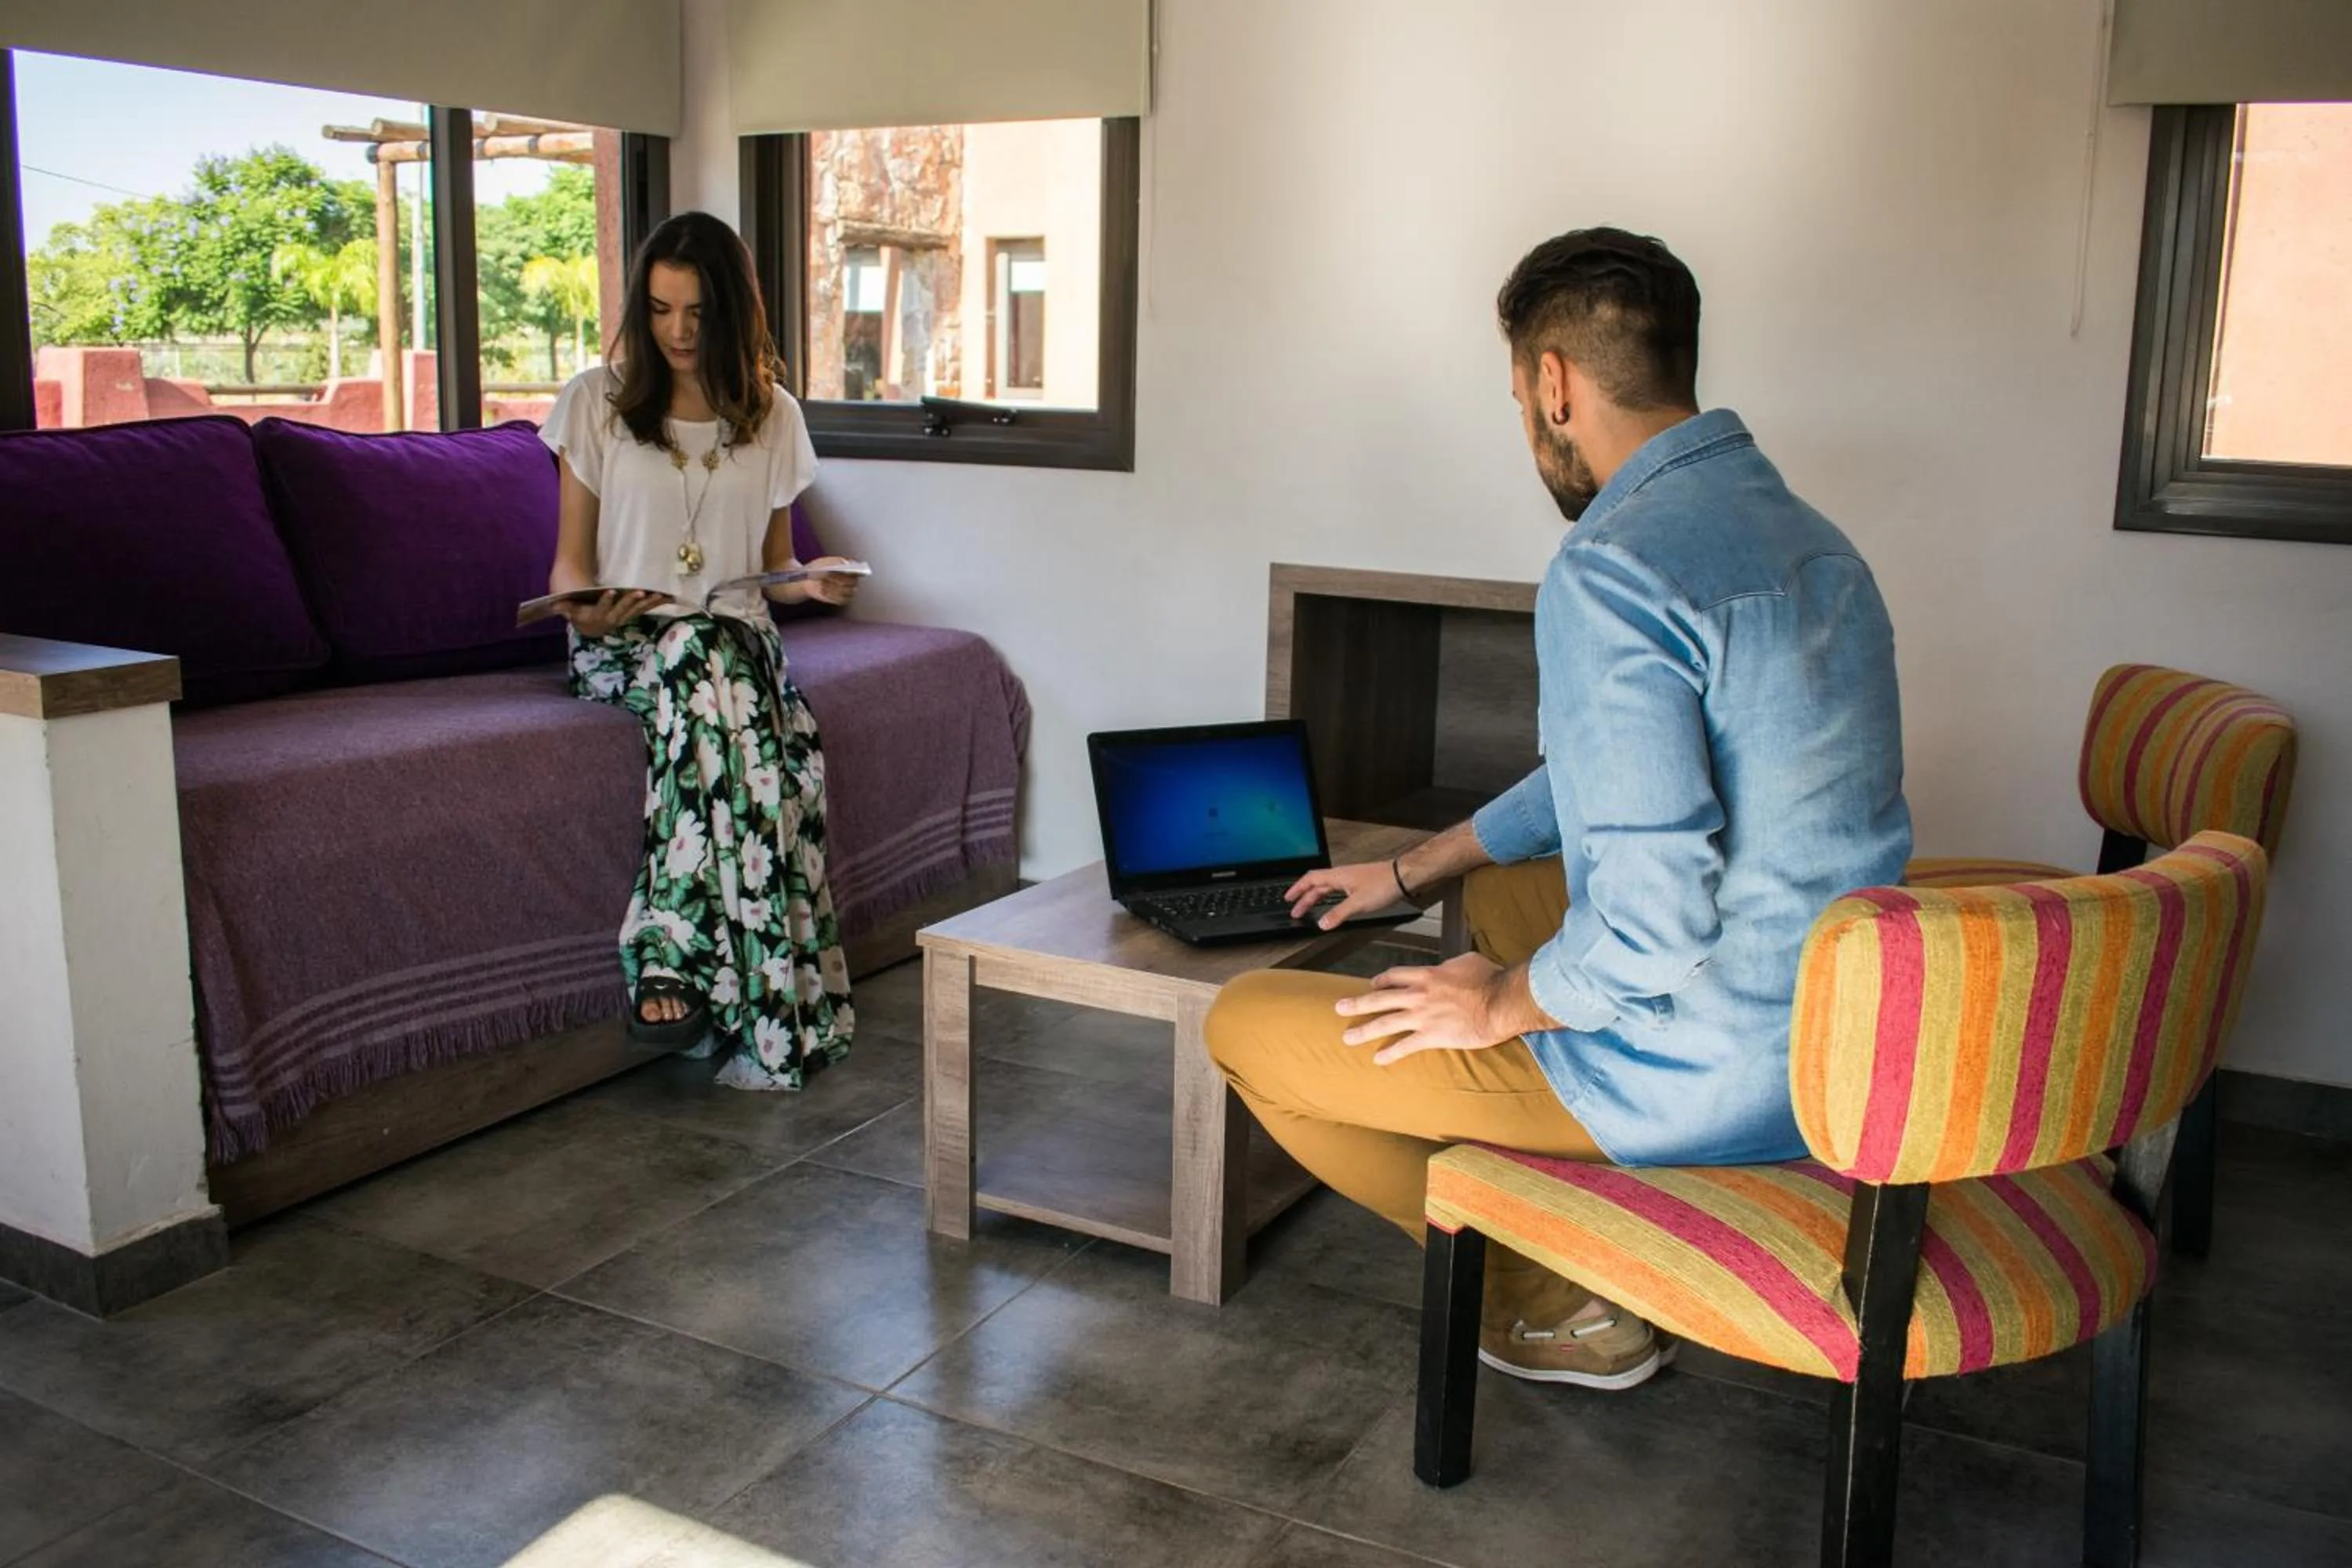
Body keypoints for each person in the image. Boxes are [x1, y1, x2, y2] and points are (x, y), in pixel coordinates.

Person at [1205, 228, 1910, 1390]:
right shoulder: (1817, 544)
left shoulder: (1616, 567)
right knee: (1497, 889)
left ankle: (1560, 1293)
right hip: (1841, 1035)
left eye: (1519, 397)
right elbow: (1610, 778)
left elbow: (1653, 925)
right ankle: (1549, 1175)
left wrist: (1500, 1006)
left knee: (1246, 1023)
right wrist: (1410, 871)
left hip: (1706, 1074)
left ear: (1553, 384)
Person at [542, 210, 860, 1091]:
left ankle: (673, 960)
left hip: (727, 644)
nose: (678, 331)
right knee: (707, 670)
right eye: (659, 309)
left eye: (697, 312)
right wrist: (587, 614)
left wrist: (815, 583)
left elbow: (770, 571)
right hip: (626, 647)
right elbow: (570, 562)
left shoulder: (771, 416)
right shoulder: (594, 402)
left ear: (734, 313)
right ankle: (730, 978)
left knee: (712, 654)